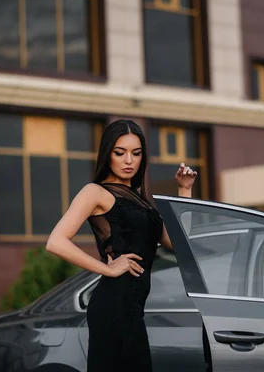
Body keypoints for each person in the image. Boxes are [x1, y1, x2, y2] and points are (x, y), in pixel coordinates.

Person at [45, 119, 197, 372]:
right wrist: (107, 269)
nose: (129, 160)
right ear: (108, 154)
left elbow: (180, 245)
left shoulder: (141, 200)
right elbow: (55, 242)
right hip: (113, 306)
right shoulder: (95, 192)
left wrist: (184, 191)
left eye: (136, 154)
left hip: (133, 308)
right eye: (120, 153)